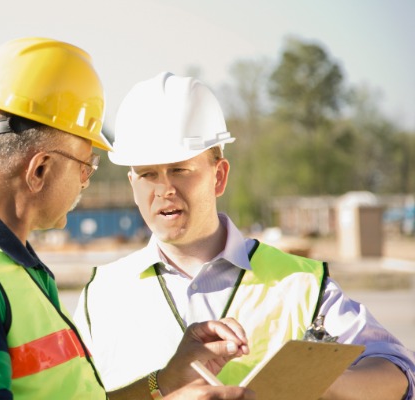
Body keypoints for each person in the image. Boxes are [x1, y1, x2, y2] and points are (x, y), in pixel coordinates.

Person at [0, 39, 255, 399]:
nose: (87, 180)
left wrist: (167, 382)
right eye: (86, 165)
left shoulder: (7, 266)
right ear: (40, 169)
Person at [74, 71, 415, 399]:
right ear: (132, 185)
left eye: (180, 170)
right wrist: (158, 388)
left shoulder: (299, 283)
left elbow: (398, 373)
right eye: (148, 174)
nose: (164, 189)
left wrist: (317, 381)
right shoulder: (100, 296)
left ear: (218, 177)